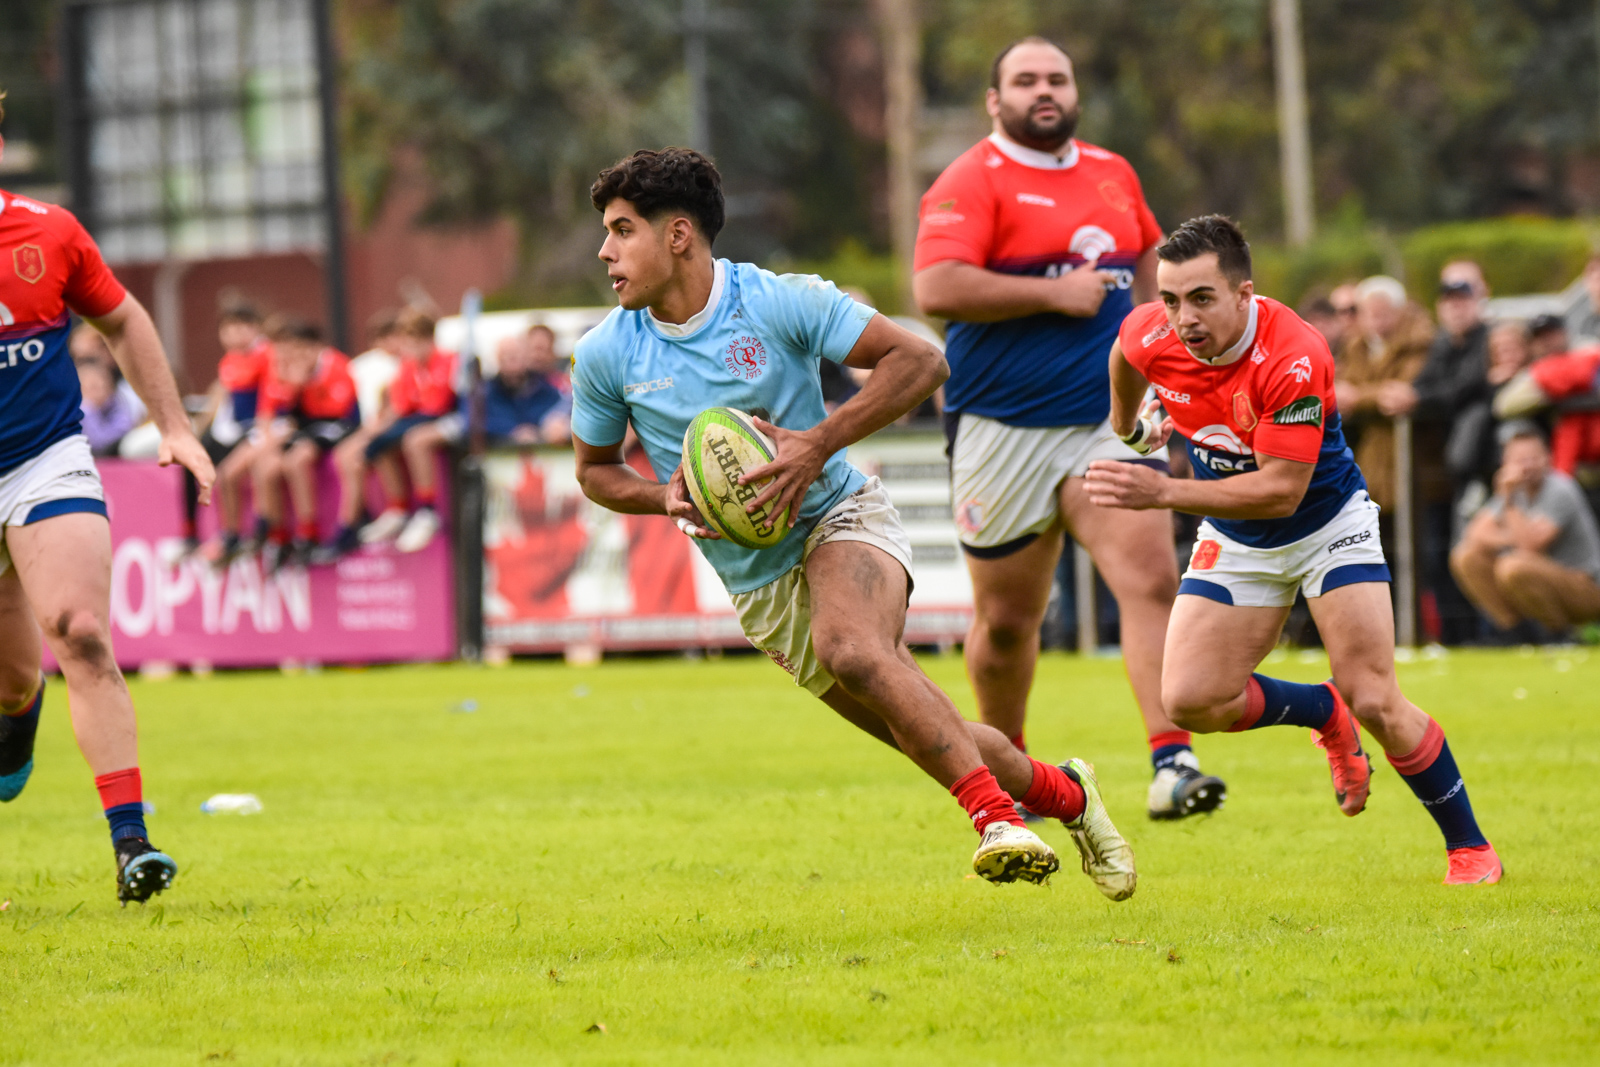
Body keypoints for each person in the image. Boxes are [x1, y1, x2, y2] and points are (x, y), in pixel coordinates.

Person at [571, 146, 1136, 897]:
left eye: (621, 229)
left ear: (678, 235)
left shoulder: (776, 301)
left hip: (841, 514)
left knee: (854, 649)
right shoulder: (606, 352)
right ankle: (1068, 793)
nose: (605, 251)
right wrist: (664, 497)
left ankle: (999, 821)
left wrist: (817, 444)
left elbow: (922, 361)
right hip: (760, 585)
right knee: (928, 732)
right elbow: (595, 471)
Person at [1086, 214, 1502, 885]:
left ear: (1244, 294)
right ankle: (1320, 710)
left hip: (1325, 525)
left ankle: (1470, 847)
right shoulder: (1151, 328)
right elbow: (1125, 355)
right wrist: (1129, 427)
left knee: (1374, 694)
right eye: (1169, 299)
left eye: (1201, 298)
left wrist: (1160, 491)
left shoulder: (1295, 353)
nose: (1182, 317)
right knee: (1190, 698)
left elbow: (1281, 491)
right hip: (1238, 534)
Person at [910, 36, 1223, 821]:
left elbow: (1153, 271)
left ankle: (1172, 760)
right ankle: (1010, 774)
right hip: (1000, 426)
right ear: (995, 101)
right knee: (1011, 624)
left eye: (1056, 77)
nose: (1043, 90)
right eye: (1025, 80)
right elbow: (934, 286)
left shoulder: (1113, 172)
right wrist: (1052, 295)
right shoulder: (969, 179)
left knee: (1150, 578)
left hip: (1104, 418)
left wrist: (1173, 362)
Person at [0, 94, 215, 903]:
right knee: (14, 681)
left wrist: (174, 425)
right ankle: (18, 716)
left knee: (81, 630)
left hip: (42, 458)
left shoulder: (48, 231)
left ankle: (132, 844)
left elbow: (122, 321)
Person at [387, 325, 573, 555]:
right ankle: (418, 511)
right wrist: (512, 431)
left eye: (517, 356)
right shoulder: (486, 389)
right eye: (507, 357)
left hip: (545, 486)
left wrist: (547, 428)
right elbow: (473, 420)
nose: (513, 362)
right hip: (501, 487)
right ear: (498, 359)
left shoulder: (547, 388)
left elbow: (561, 415)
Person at [1450, 425, 1600, 635]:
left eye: (1533, 458)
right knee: (1466, 556)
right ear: (1505, 463)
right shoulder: (1513, 491)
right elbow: (1474, 535)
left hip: (1585, 587)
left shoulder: (1560, 489)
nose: (1528, 466)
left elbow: (1529, 548)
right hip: (1535, 577)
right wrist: (1513, 534)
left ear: (1548, 457)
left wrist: (1509, 505)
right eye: (1520, 460)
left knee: (1513, 566)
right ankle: (1514, 631)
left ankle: (1557, 633)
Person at [329, 307, 457, 549]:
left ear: (430, 340)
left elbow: (436, 405)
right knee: (382, 445)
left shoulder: (448, 361)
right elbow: (403, 404)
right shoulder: (407, 367)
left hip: (452, 420)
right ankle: (396, 509)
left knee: (414, 440)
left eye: (415, 342)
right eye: (408, 343)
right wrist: (375, 432)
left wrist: (385, 425)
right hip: (420, 419)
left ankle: (427, 509)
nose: (410, 349)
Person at [248, 318, 358, 572]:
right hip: (306, 428)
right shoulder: (287, 369)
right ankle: (275, 535)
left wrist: (301, 385)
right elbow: (277, 410)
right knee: (265, 464)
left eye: (297, 349)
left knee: (297, 460)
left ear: (313, 347)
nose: (292, 356)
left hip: (338, 426)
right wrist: (294, 389)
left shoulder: (336, 365)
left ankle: (309, 533)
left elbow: (335, 410)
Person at [77, 357, 137, 455]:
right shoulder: (80, 412)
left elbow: (124, 433)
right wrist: (88, 409)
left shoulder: (116, 405)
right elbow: (97, 443)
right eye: (93, 386)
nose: (100, 390)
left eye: (103, 384)